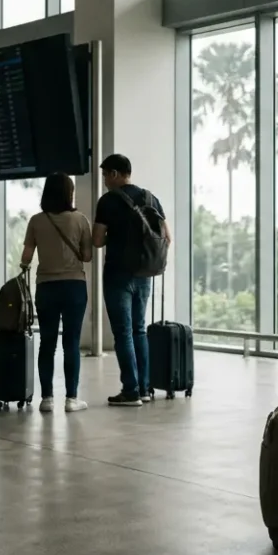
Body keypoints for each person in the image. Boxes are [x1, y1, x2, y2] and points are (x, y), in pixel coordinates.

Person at [92, 154, 171, 407]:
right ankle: (145, 388)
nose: (104, 180)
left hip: (118, 274)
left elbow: (97, 240)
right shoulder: (151, 198)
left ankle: (130, 390)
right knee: (139, 330)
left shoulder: (108, 201)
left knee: (123, 332)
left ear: (115, 174)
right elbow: (167, 236)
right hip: (144, 274)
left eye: (105, 174)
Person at [21, 172, 94, 413]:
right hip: (74, 286)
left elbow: (27, 256)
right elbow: (87, 256)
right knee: (71, 342)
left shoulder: (36, 221)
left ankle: (47, 399)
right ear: (69, 193)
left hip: (46, 287)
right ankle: (72, 399)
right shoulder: (81, 220)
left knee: (47, 343)